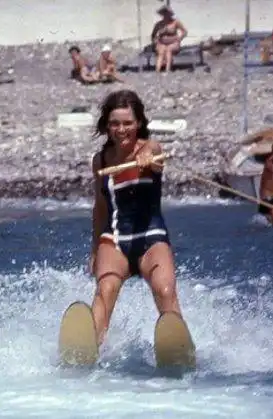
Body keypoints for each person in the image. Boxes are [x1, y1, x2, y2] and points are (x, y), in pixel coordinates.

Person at [90, 89, 184, 346]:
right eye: (115, 124)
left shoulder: (151, 148)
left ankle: (178, 346)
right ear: (107, 126)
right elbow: (100, 207)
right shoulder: (100, 161)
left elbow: (154, 157)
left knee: (164, 289)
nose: (121, 130)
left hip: (150, 237)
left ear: (139, 123)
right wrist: (95, 249)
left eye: (128, 123)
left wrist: (147, 158)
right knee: (105, 290)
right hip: (115, 238)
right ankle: (88, 347)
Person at [152, 5, 188, 72]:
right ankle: (157, 71)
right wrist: (155, 41)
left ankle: (167, 70)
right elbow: (153, 35)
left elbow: (185, 31)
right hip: (162, 42)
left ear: (170, 14)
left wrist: (179, 38)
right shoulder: (159, 24)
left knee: (169, 50)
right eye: (164, 13)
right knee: (161, 52)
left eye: (167, 13)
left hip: (173, 42)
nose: (165, 15)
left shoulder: (175, 22)